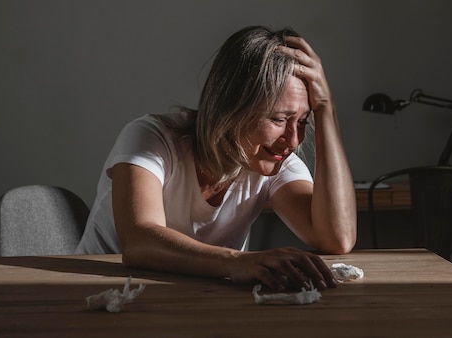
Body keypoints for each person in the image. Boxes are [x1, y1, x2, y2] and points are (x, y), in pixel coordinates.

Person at [75, 25, 356, 292]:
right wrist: (236, 261)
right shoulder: (150, 139)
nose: (294, 141)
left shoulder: (275, 162)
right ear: (232, 107)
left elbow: (336, 238)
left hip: (183, 304)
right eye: (279, 119)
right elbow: (139, 241)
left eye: (304, 121)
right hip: (92, 296)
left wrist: (326, 109)